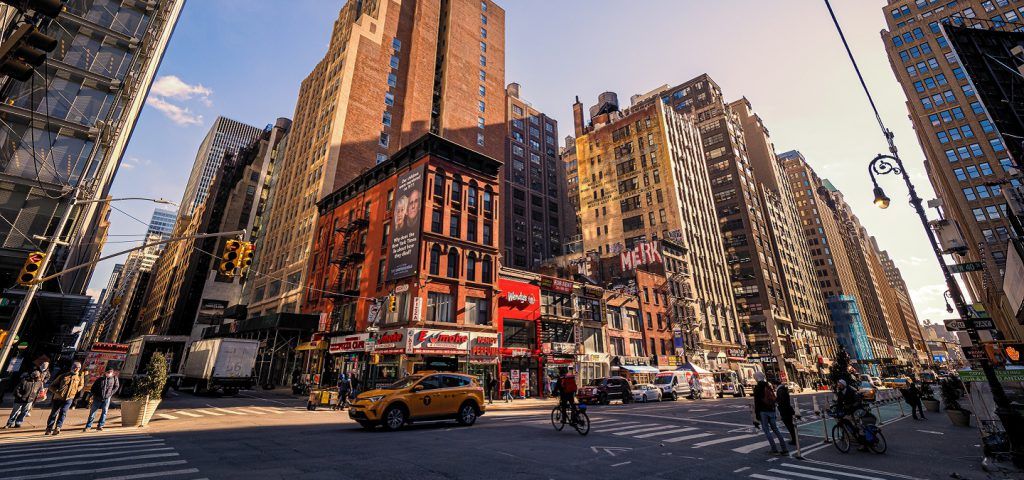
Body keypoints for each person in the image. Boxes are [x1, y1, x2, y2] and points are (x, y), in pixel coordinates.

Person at [752, 372, 788, 455]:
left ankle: (774, 449)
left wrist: (757, 415)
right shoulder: (768, 385)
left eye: (755, 377)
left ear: (757, 378)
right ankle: (784, 449)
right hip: (771, 410)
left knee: (767, 430)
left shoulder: (757, 387)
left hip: (763, 411)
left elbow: (757, 402)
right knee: (776, 429)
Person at [46, 362, 84, 436]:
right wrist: (57, 392)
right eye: (75, 367)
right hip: (58, 398)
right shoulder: (63, 375)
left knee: (63, 412)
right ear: (72, 367)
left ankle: (58, 427)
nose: (77, 369)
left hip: (69, 398)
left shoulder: (79, 377)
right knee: (54, 413)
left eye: (78, 368)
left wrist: (76, 390)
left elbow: (81, 385)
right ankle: (49, 428)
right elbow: (51, 386)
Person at [84, 367, 120, 432]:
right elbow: (93, 388)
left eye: (110, 372)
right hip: (97, 398)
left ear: (112, 373)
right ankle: (88, 426)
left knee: (104, 412)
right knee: (93, 412)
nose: (109, 373)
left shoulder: (114, 378)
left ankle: (100, 425)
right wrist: (95, 395)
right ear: (105, 372)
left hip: (107, 398)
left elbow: (116, 386)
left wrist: (110, 393)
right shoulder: (100, 379)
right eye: (108, 372)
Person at [776, 381, 797, 445]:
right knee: (791, 426)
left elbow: (782, 401)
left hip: (785, 410)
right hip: (788, 409)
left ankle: (794, 440)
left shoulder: (780, 391)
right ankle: (794, 439)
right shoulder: (783, 390)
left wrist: (778, 403)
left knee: (789, 426)